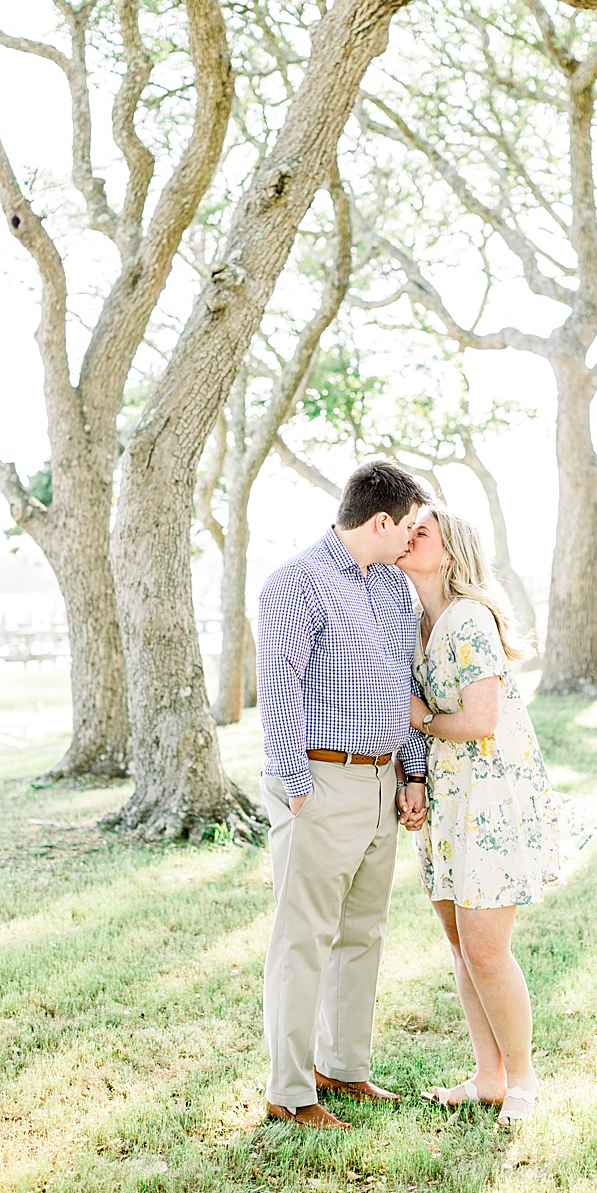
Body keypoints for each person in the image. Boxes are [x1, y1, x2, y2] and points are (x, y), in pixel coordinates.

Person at [395, 504, 590, 1129]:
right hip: (449, 801)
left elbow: (480, 721)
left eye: (418, 532)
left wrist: (418, 717)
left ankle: (524, 1080)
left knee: (486, 948)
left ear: (448, 551)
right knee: (459, 945)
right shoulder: (420, 625)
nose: (405, 536)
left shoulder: (469, 620)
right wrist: (416, 775)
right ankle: (487, 1076)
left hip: (488, 799)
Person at [256, 459, 431, 1131]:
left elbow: (402, 687)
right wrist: (299, 791)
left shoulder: (391, 588)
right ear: (380, 520)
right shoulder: (295, 584)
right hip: (320, 782)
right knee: (303, 939)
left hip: (381, 780)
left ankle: (343, 1068)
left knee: (363, 933)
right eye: (408, 528)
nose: (411, 541)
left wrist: (410, 773)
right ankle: (291, 1092)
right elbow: (277, 692)